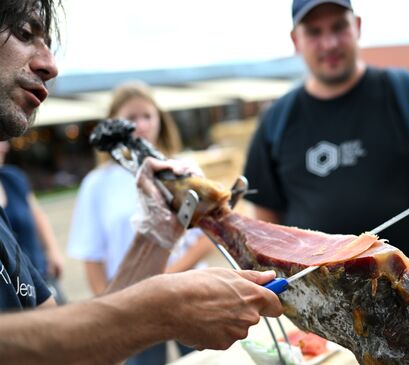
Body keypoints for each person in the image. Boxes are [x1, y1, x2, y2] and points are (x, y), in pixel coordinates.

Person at [0, 1, 283, 362]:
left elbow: (66, 345)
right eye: (25, 34)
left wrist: (156, 237)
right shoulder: (94, 184)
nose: (51, 65)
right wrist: (160, 308)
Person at [243, 0, 409, 282]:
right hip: (326, 319)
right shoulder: (275, 122)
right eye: (314, 32)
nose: (329, 43)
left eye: (339, 27)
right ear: (296, 40)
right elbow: (267, 231)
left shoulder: (405, 93)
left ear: (357, 26)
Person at [67, 82, 212, 364]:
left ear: (160, 118)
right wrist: (110, 309)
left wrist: (166, 276)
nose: (141, 125)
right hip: (134, 304)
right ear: (114, 124)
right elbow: (92, 255)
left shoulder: (183, 169)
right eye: (131, 118)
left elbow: (208, 233)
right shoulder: (97, 184)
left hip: (188, 291)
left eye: (147, 115)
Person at [0, 141, 66, 303]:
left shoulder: (13, 178)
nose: (4, 147)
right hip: (11, 288)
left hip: (39, 273)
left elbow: (37, 214)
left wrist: (53, 251)